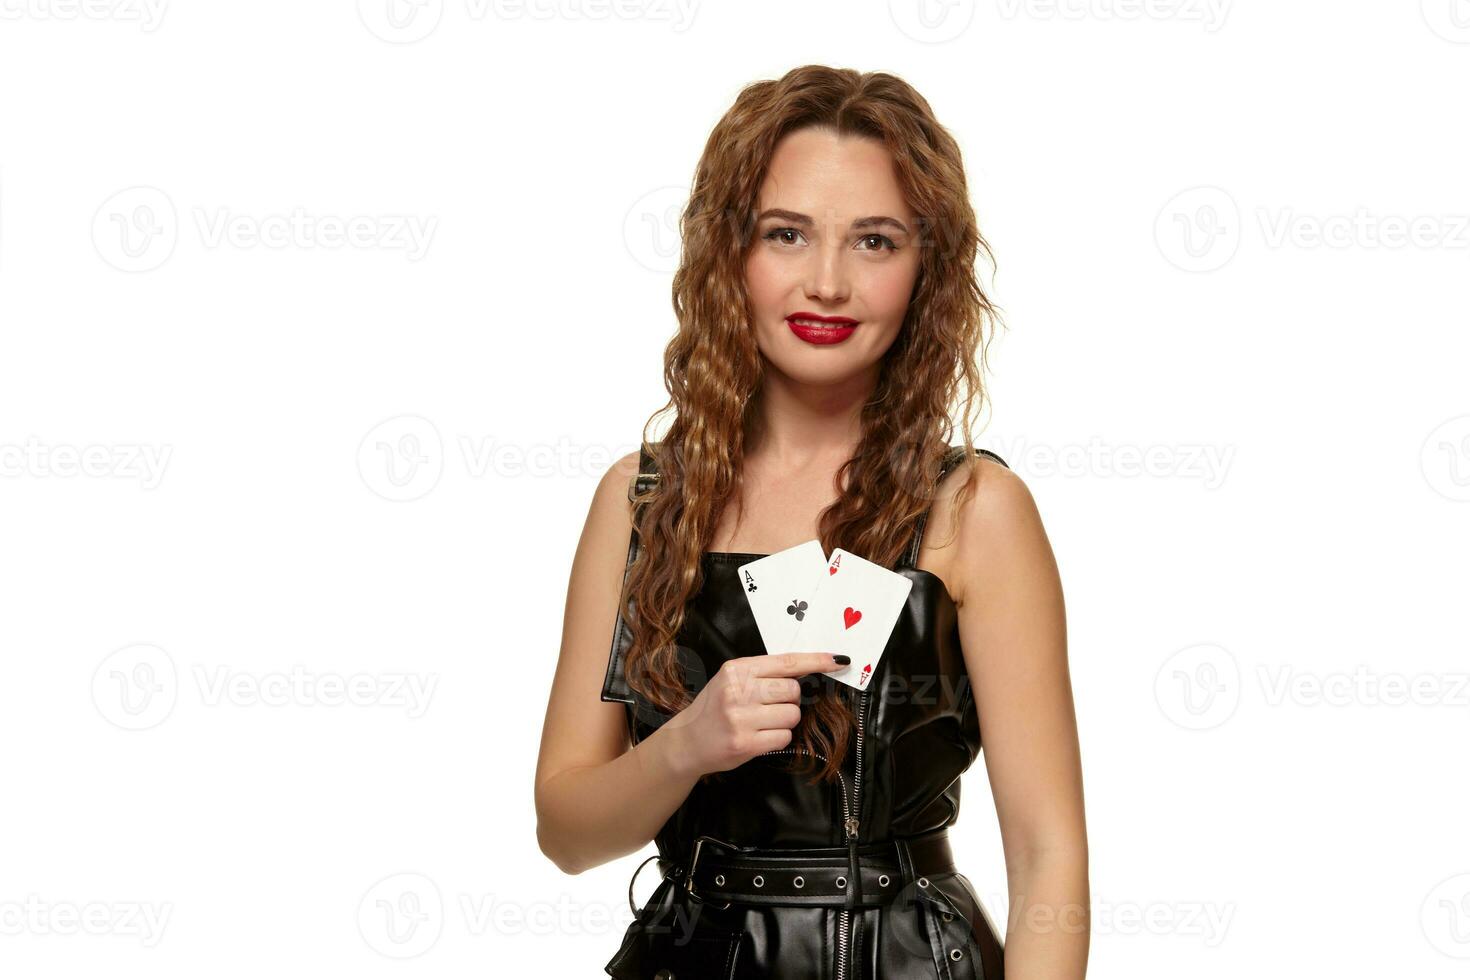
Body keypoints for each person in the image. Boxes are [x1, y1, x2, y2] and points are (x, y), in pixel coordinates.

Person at [535, 64, 1088, 979]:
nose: (826, 282)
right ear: (730, 252)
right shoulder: (637, 499)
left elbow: (1047, 856)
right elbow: (565, 830)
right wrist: (686, 746)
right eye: (786, 234)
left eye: (874, 241)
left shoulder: (975, 511)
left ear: (926, 269)